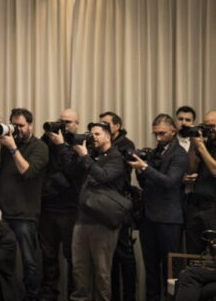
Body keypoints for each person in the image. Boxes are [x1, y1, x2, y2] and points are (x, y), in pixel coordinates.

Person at [0, 108, 48, 301]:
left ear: (30, 125)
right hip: (3, 213)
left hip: (26, 215)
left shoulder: (39, 147)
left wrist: (13, 148)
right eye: (14, 125)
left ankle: (32, 297)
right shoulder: (6, 144)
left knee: (29, 262)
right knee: (3, 261)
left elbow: (27, 172)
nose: (18, 129)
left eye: (21, 125)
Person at [126, 113, 187, 301]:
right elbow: (146, 183)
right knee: (150, 267)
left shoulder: (179, 154)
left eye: (162, 133)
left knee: (170, 270)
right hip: (148, 217)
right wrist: (140, 170)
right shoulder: (154, 152)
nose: (158, 138)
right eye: (156, 134)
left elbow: (169, 182)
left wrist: (145, 168)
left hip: (169, 219)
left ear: (173, 131)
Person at [63, 121, 126, 301]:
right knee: (79, 268)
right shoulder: (90, 155)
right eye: (91, 134)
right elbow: (71, 172)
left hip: (103, 219)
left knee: (102, 270)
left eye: (97, 134)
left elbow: (103, 176)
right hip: (82, 218)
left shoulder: (116, 157)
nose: (93, 137)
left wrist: (85, 156)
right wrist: (77, 153)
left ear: (108, 136)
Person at [39, 108, 81, 300]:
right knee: (48, 256)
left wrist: (61, 145)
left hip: (70, 209)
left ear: (77, 124)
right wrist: (48, 136)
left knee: (73, 257)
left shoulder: (79, 142)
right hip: (47, 208)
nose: (64, 126)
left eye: (68, 122)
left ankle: (74, 295)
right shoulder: (47, 140)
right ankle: (49, 295)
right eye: (61, 121)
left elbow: (74, 171)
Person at [101, 111, 137, 301]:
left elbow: (117, 171)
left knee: (124, 254)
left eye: (106, 124)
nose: (103, 127)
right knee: (110, 256)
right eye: (101, 124)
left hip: (120, 203)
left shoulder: (126, 145)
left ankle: (129, 296)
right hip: (103, 205)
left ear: (117, 126)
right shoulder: (99, 143)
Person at [186, 111, 216, 254]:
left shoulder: (204, 147)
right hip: (196, 204)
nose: (209, 130)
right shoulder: (206, 144)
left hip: (213, 206)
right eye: (206, 126)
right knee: (193, 253)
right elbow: (191, 168)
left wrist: (201, 147)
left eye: (212, 126)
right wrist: (193, 145)